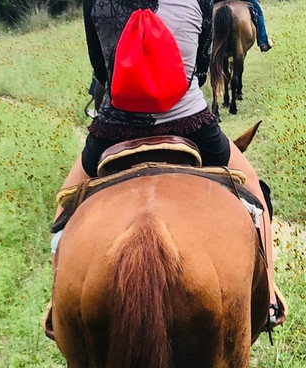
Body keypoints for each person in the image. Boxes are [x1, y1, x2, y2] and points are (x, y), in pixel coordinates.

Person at [55, 0, 284, 329]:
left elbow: (101, 70)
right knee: (253, 188)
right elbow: (201, 70)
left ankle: (56, 307)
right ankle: (271, 296)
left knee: (64, 201)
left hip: (114, 126)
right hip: (188, 120)